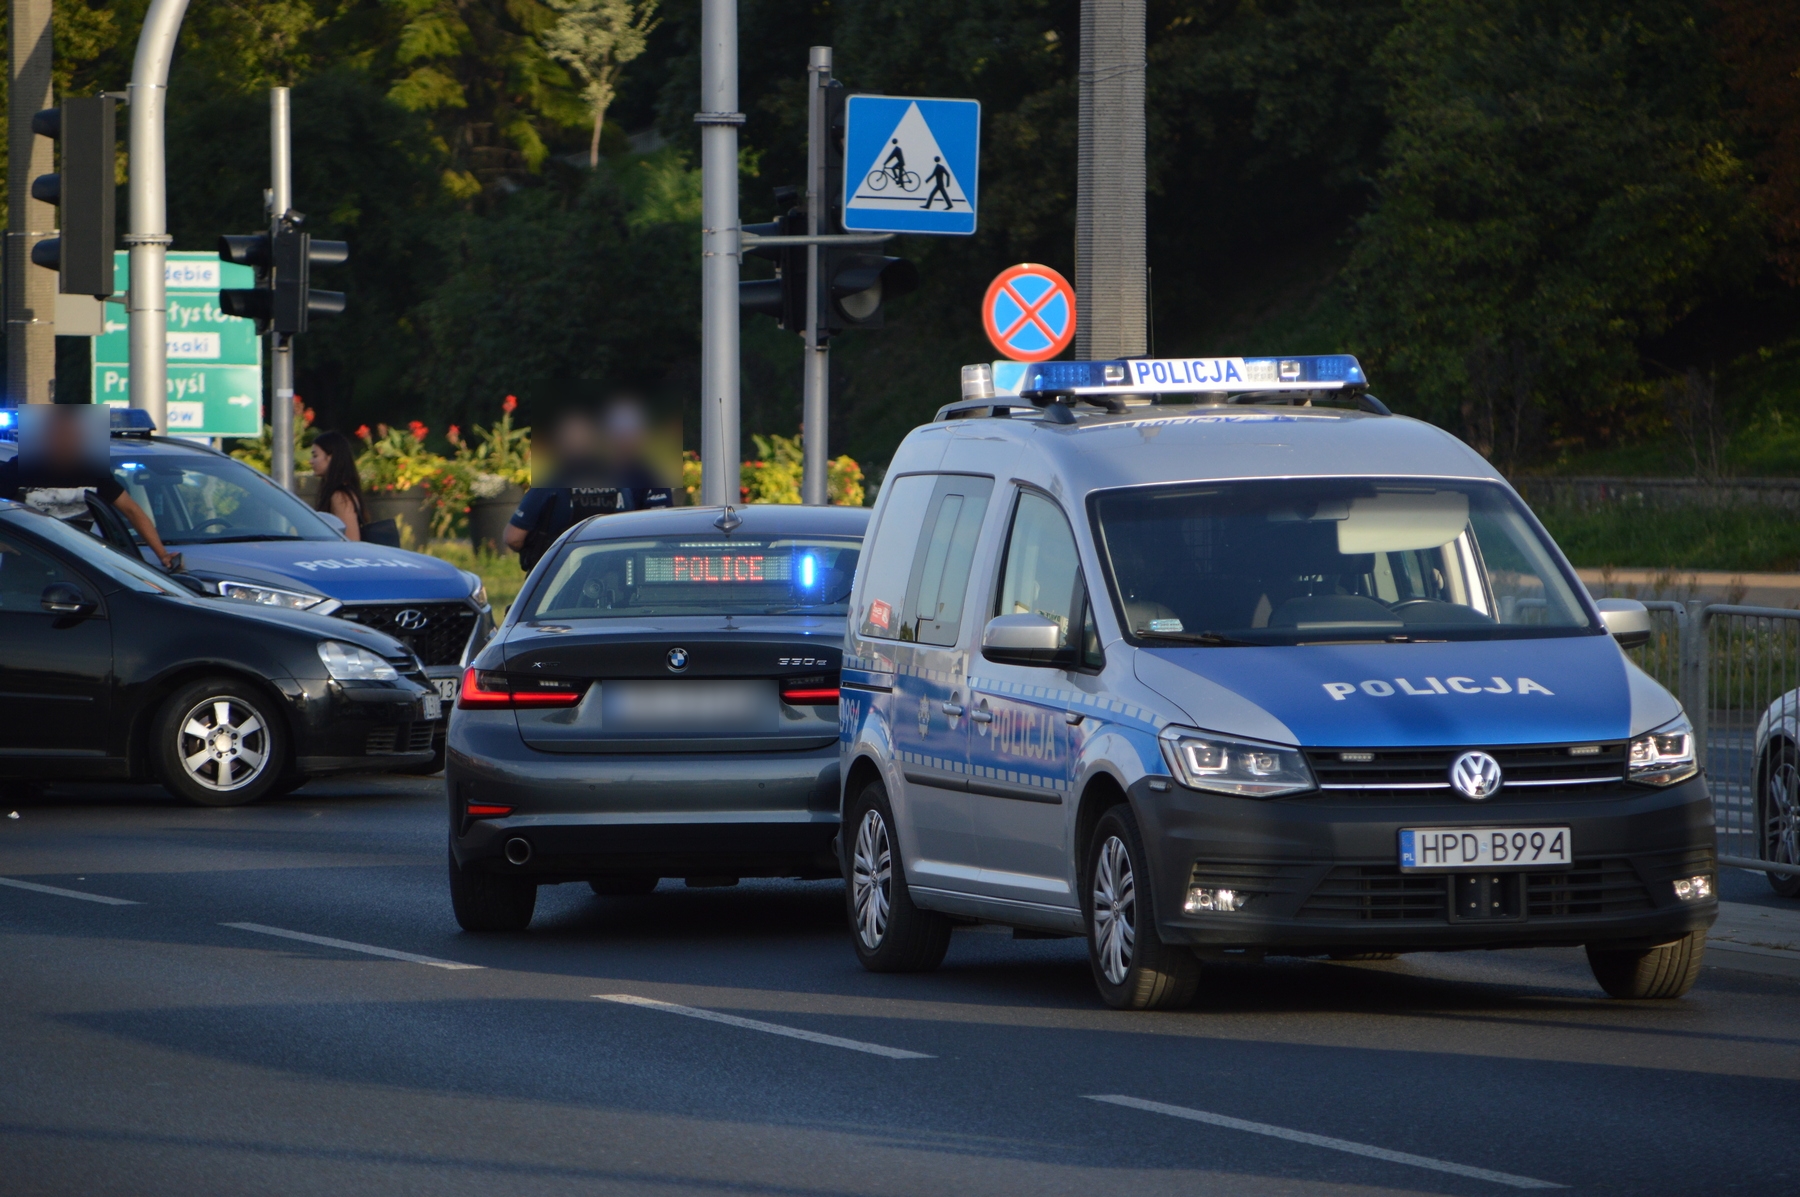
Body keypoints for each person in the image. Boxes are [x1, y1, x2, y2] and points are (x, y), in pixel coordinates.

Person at [505, 398, 672, 571]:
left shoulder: (552, 482)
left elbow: (513, 537)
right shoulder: (620, 485)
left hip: (557, 574)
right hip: (613, 572)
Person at [0, 405, 175, 568]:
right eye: (59, 434)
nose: (65, 440)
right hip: (25, 570)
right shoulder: (18, 469)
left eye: (72, 434)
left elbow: (132, 510)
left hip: (76, 569)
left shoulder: (92, 472)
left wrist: (162, 554)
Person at [309, 430, 366, 542]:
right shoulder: (337, 493)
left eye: (315, 456)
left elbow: (351, 540)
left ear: (330, 457)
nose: (311, 461)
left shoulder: (340, 496)